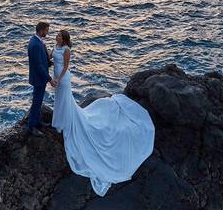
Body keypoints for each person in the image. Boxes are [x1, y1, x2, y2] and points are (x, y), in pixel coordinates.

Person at [49, 29, 155, 196]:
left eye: (60, 36)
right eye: (57, 36)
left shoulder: (67, 50)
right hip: (55, 78)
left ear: (65, 39)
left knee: (65, 100)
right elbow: (50, 59)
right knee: (60, 101)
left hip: (63, 79)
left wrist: (57, 80)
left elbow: (66, 67)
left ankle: (66, 121)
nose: (57, 37)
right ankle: (60, 121)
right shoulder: (55, 47)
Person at [26, 21, 53, 136]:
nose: (47, 32)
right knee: (36, 102)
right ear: (41, 30)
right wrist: (49, 79)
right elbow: (39, 65)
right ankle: (32, 126)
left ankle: (37, 121)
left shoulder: (37, 40)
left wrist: (49, 62)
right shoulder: (36, 44)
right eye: (46, 30)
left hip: (39, 77)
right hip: (38, 78)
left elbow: (42, 60)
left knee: (38, 101)